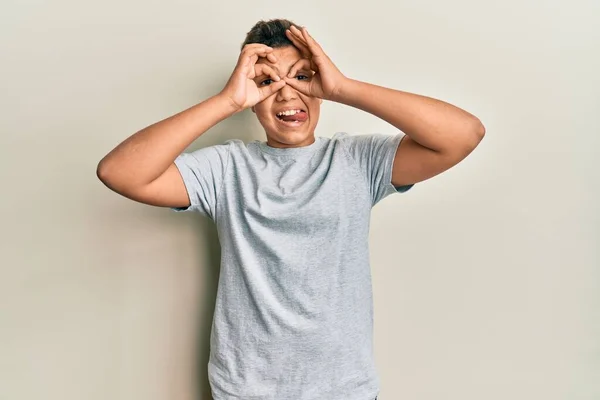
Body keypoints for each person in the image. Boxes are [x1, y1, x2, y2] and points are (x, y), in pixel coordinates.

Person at [97, 18, 485, 400]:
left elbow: (464, 134)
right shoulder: (224, 169)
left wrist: (345, 88)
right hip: (246, 388)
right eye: (267, 82)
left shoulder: (357, 160)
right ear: (250, 97)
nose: (285, 95)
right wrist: (225, 101)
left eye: (300, 77)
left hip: (343, 388)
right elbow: (120, 173)